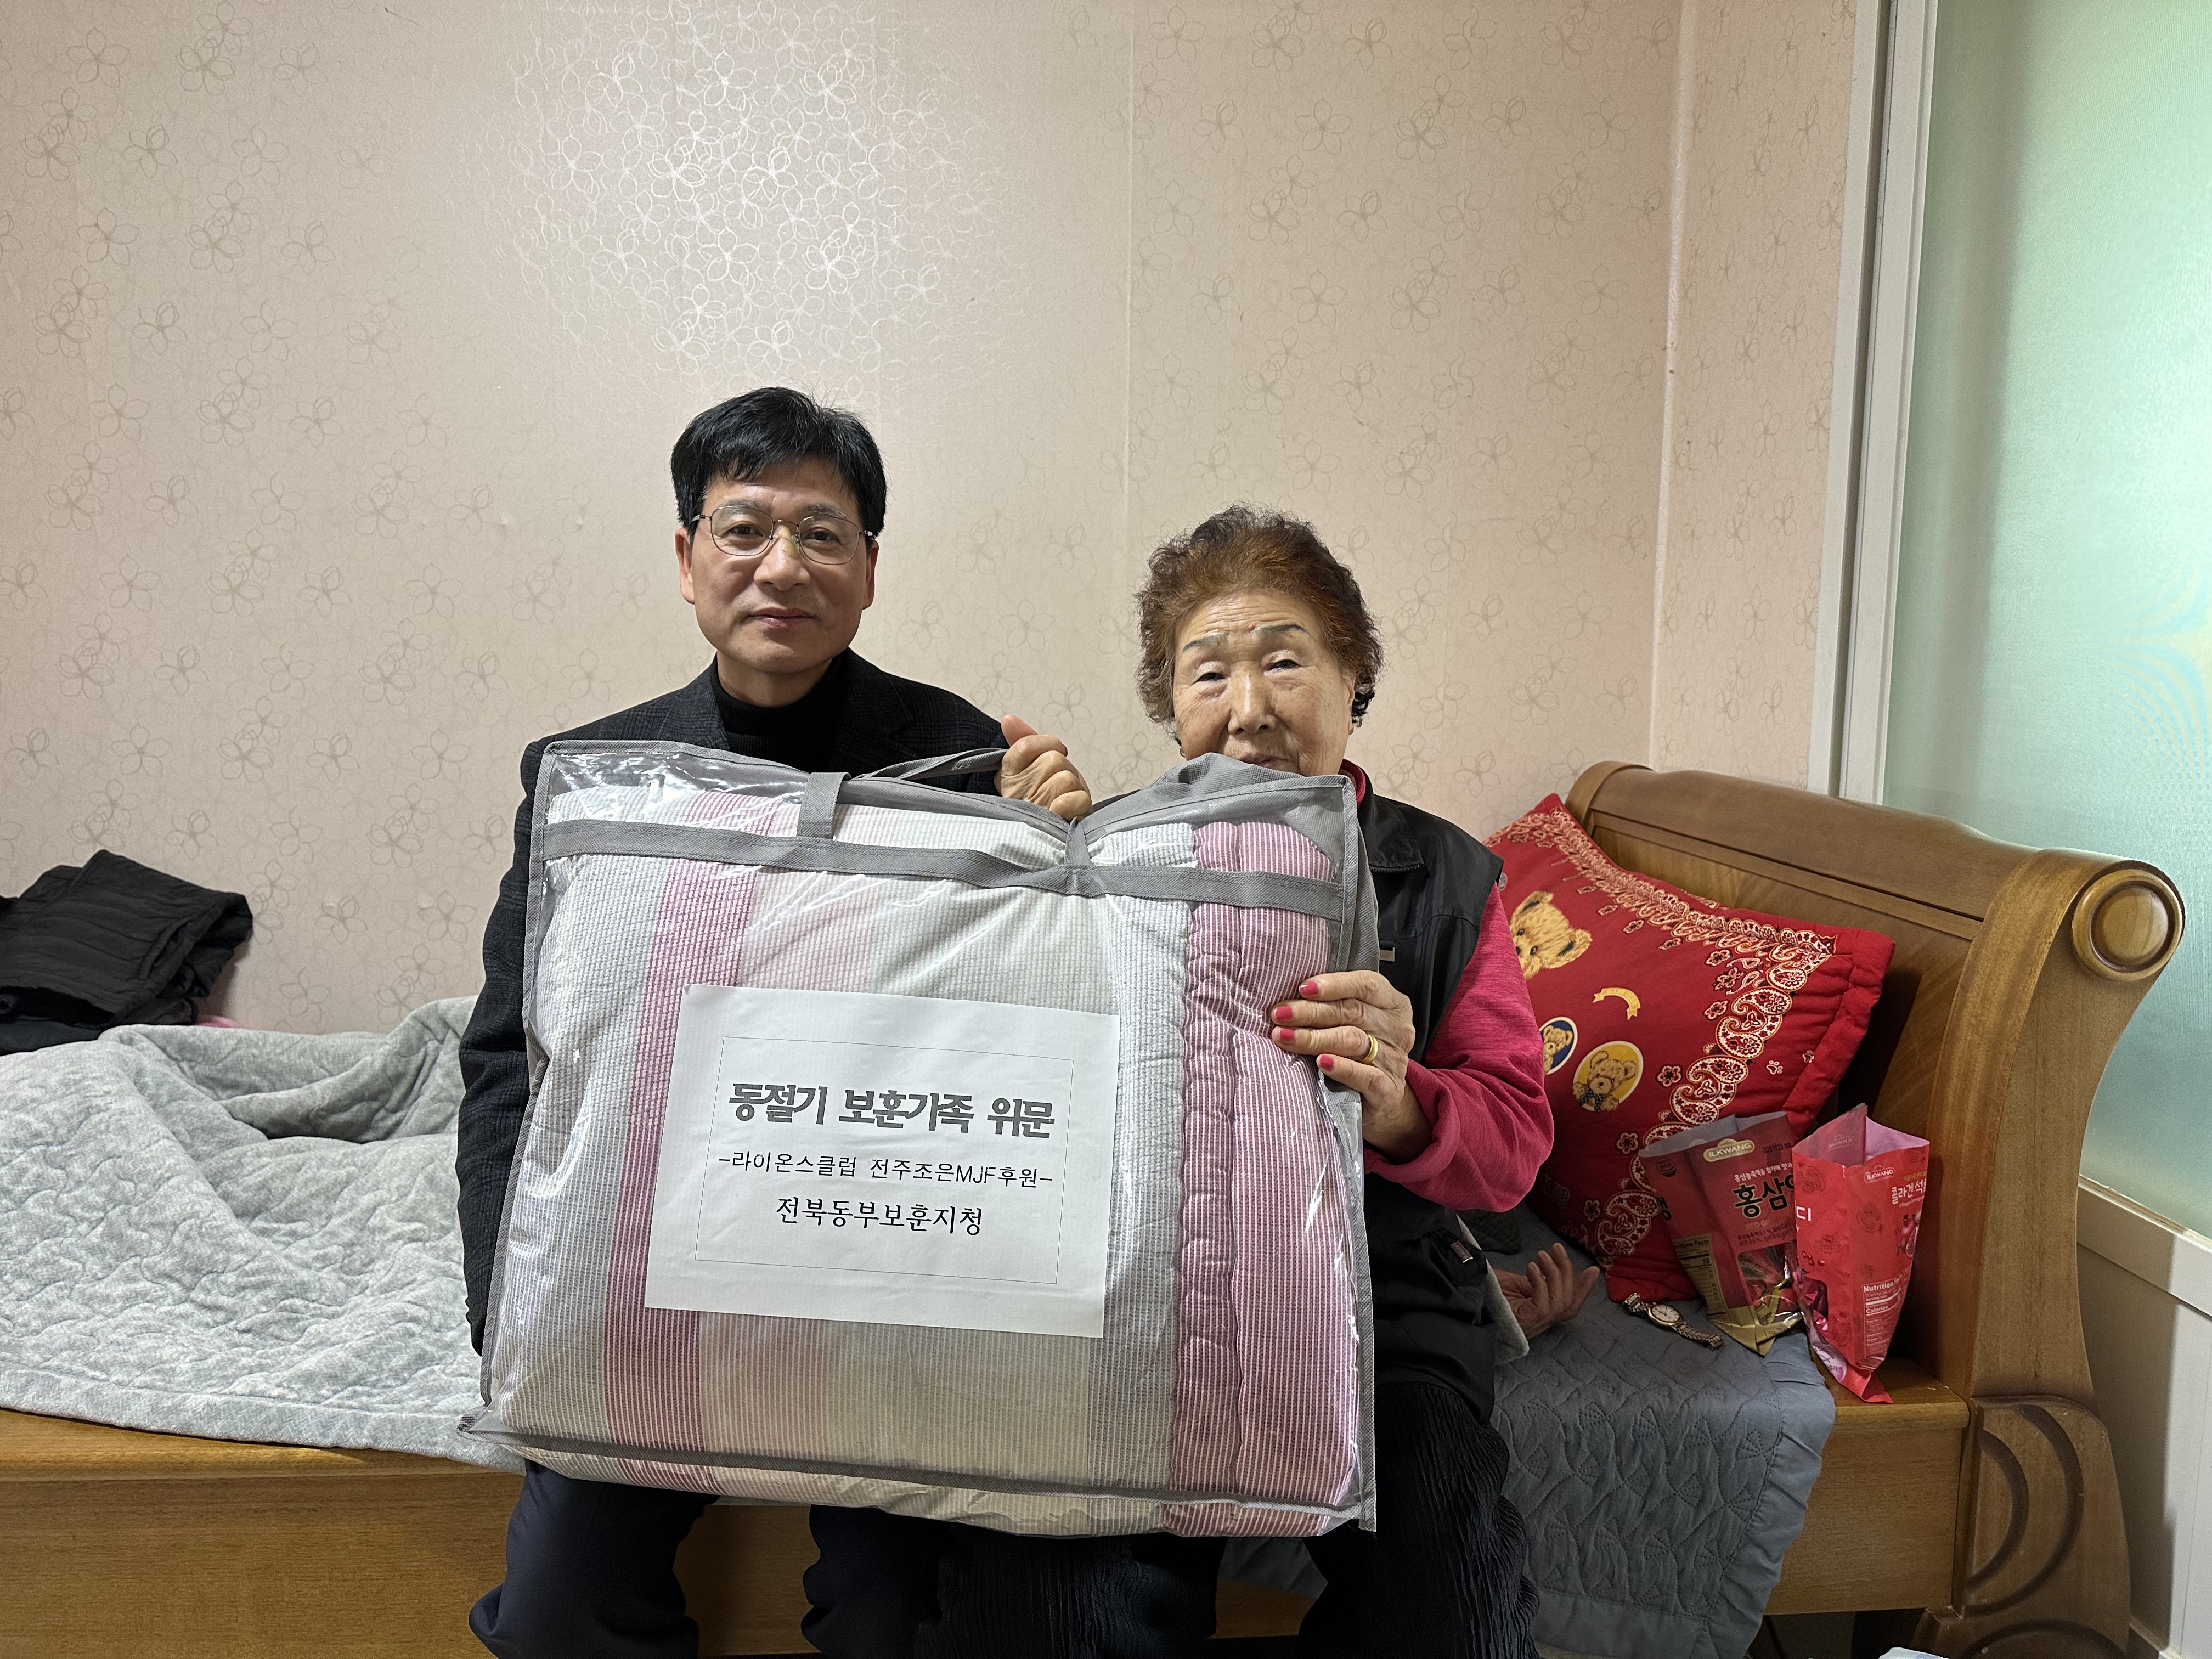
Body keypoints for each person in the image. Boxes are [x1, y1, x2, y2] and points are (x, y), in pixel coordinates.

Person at [817, 506, 1598, 1657]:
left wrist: (1401, 1100)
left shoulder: (1446, 878)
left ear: (1354, 678)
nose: (1248, 709)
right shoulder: (1105, 852)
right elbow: (981, 1078)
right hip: (1130, 1277)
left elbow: (1512, 1149)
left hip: (1372, 1299)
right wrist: (1026, 885)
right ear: (1170, 706)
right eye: (1208, 673)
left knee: (1455, 1603)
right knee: (1050, 1602)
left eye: (1284, 661)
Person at [457, 386, 1090, 1659]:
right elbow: (506, 1062)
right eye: (744, 529)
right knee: (562, 1603)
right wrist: (516, 1309)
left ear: (870, 569)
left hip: (883, 1269)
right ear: (687, 555)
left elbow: (1022, 1036)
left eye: (822, 533)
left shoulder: (965, 757)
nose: (782, 567)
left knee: (898, 1609)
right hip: (648, 1262)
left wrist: (1066, 859)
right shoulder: (598, 780)